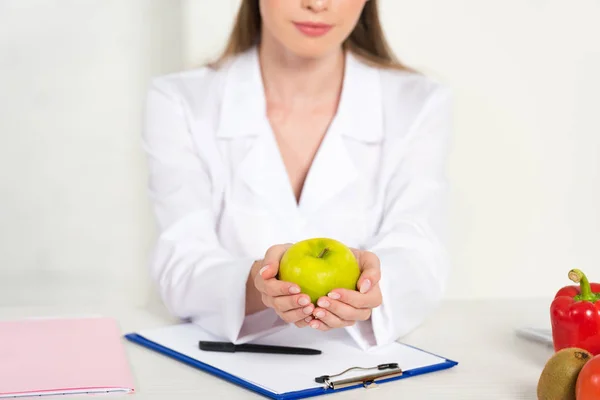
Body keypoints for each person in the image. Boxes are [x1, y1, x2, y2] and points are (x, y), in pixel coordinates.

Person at [141, 0, 453, 351]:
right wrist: (259, 284)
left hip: (357, 367)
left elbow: (420, 253)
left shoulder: (418, 101)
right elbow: (180, 261)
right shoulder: (181, 100)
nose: (317, 4)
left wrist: (374, 287)